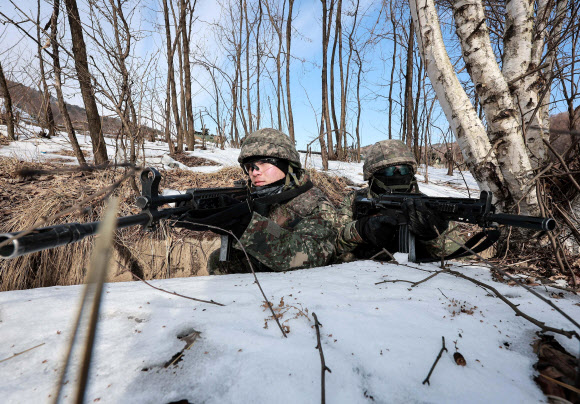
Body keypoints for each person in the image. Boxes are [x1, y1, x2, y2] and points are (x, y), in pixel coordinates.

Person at [181, 128, 338, 275]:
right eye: (249, 166)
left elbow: (314, 256)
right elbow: (274, 231)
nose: (254, 172)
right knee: (220, 261)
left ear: (287, 165)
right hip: (265, 276)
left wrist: (246, 225)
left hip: (300, 289)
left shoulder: (315, 203)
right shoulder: (260, 196)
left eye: (264, 163)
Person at [335, 139, 455, 262]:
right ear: (372, 174)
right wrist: (360, 230)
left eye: (404, 170)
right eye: (389, 170)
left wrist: (434, 235)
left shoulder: (425, 205)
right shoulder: (354, 199)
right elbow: (330, 245)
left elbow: (459, 255)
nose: (398, 175)